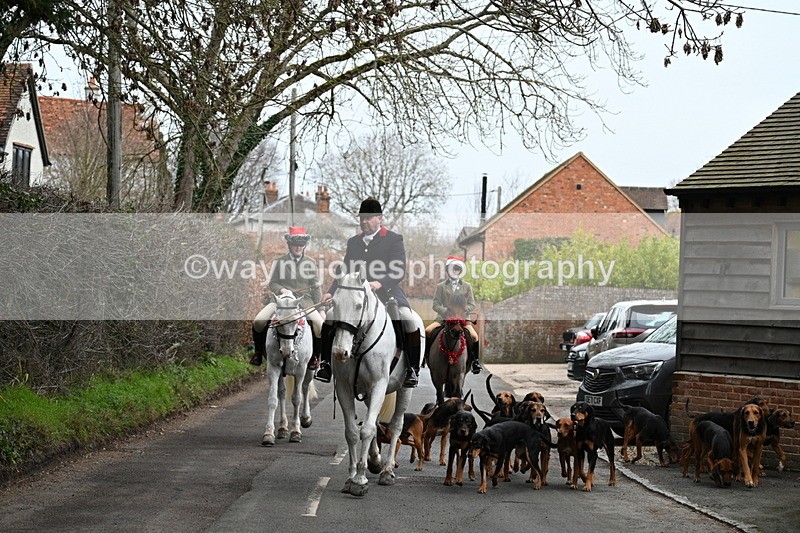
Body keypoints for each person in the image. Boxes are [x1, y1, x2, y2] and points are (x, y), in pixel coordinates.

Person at [316, 198, 422, 387]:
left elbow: (398, 271)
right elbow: (344, 271)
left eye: (368, 218)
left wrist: (380, 283)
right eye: (362, 218)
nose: (364, 222)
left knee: (407, 319)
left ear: (379, 218)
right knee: (330, 316)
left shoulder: (393, 239)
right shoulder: (354, 242)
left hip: (386, 292)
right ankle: (325, 364)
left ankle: (411, 369)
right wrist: (331, 292)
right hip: (356, 294)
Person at [250, 226, 325, 371]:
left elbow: (316, 287)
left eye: (301, 245)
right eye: (295, 245)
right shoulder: (279, 261)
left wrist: (321, 309)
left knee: (319, 326)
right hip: (281, 301)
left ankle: (314, 358)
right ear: (289, 245)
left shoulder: (311, 262)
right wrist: (282, 290)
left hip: (304, 302)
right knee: (259, 321)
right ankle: (258, 353)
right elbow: (272, 283)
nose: (299, 248)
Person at [424, 256, 482, 374]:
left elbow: (471, 304)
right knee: (428, 331)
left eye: (457, 269)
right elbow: (435, 304)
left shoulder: (467, 286)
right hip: (443, 318)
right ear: (448, 271)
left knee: (474, 336)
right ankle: (425, 358)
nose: (455, 271)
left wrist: (462, 311)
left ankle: (475, 361)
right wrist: (446, 312)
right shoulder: (441, 286)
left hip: (463, 319)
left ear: (460, 271)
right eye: (453, 269)